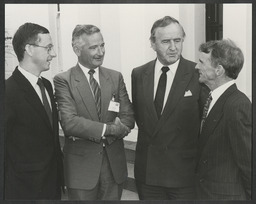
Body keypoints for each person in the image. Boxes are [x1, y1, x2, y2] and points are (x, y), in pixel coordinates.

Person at [53, 24, 135, 200]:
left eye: (102, 45)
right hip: (81, 170)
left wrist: (98, 129)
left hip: (114, 168)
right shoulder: (63, 81)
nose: (100, 52)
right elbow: (70, 123)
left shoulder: (115, 77)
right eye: (93, 47)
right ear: (76, 49)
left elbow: (128, 117)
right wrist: (111, 129)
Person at [131, 16, 206, 200]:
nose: (173, 47)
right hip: (149, 174)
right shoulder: (139, 74)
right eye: (166, 41)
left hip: (184, 175)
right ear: (153, 43)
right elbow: (141, 117)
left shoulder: (198, 73)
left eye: (178, 40)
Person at [5, 22, 64, 199]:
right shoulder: (8, 92)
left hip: (52, 184)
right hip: (24, 189)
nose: (53, 54)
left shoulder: (46, 85)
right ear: (29, 49)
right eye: (48, 48)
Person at [195, 39, 251, 200]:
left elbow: (248, 163)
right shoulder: (212, 99)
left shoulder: (238, 105)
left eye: (201, 62)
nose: (196, 66)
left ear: (218, 70)